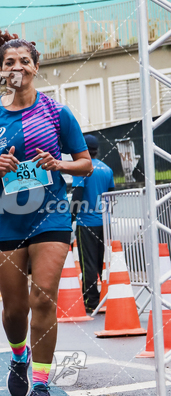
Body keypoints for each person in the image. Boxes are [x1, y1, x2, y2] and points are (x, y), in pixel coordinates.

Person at [0, 26, 93, 396]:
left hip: (50, 216)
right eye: (9, 62)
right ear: (0, 72)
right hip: (4, 219)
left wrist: (59, 164)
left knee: (43, 298)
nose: (17, 66)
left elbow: (85, 164)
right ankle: (19, 354)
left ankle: (41, 385)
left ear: (36, 67)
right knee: (14, 309)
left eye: (24, 60)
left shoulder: (57, 112)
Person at [71, 134, 115, 313]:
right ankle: (107, 296)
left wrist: (71, 218)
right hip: (104, 222)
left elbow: (77, 195)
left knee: (87, 263)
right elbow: (111, 195)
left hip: (86, 222)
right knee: (100, 262)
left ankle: (91, 301)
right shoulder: (107, 169)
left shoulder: (82, 168)